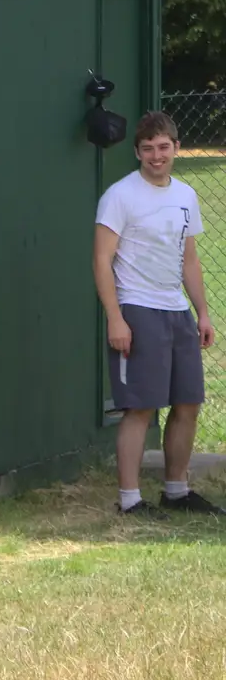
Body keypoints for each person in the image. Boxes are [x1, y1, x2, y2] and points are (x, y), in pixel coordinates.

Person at [94, 110, 223, 516]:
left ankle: (177, 491)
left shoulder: (185, 195)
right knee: (142, 406)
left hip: (176, 310)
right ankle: (130, 501)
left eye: (163, 147)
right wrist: (115, 317)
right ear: (137, 152)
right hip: (137, 308)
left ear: (176, 149)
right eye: (148, 149)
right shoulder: (120, 195)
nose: (156, 156)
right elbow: (101, 260)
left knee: (188, 402)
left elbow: (189, 259)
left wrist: (201, 312)